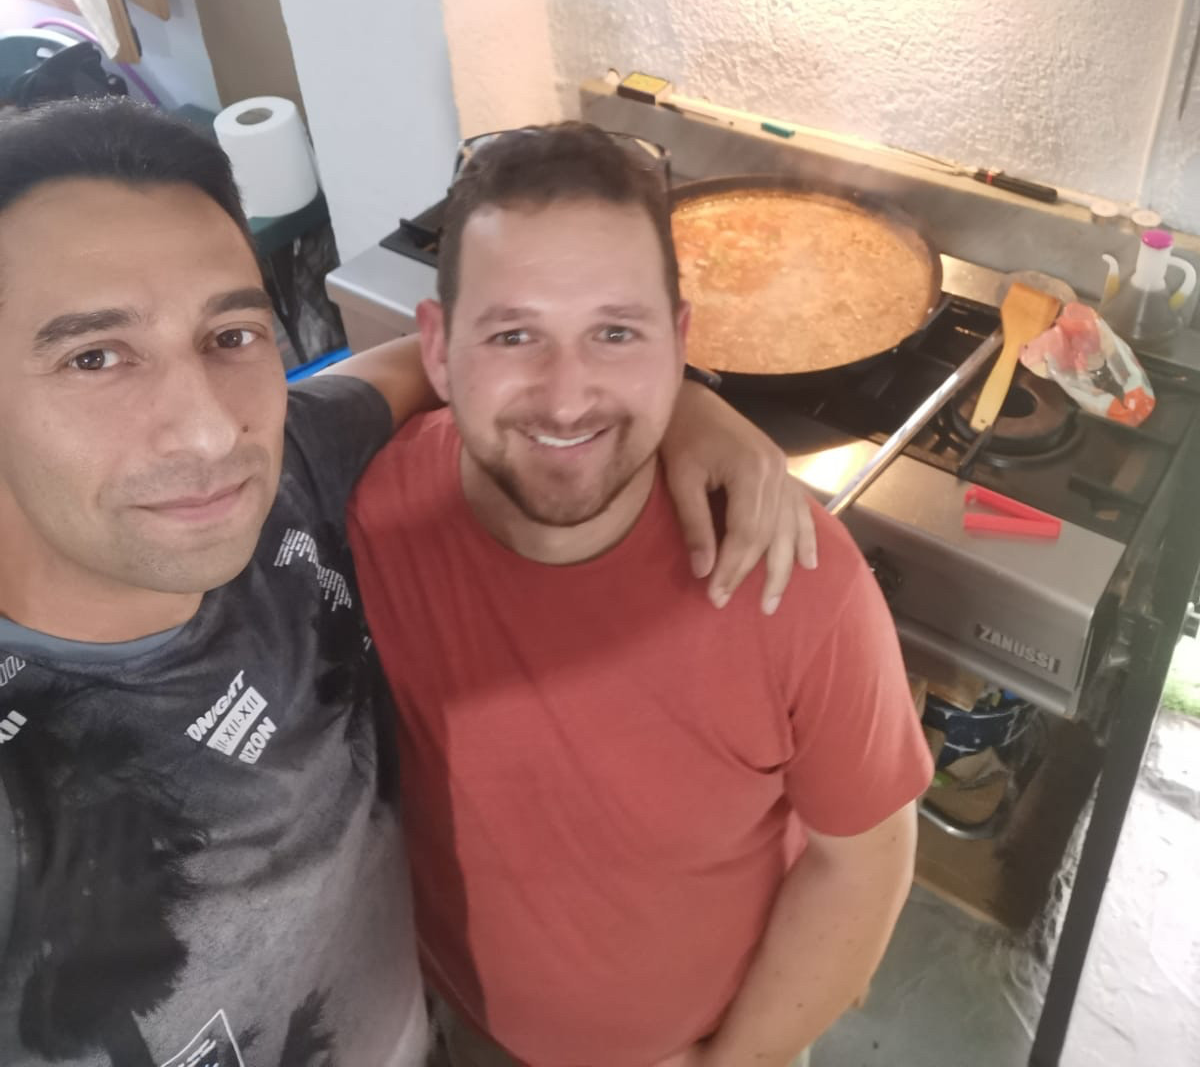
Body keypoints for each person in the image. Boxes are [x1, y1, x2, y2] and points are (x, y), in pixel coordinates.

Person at [0, 98, 815, 1067]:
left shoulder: (294, 464)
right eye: (95, 357)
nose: (211, 432)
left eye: (230, 335)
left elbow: (449, 368)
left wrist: (677, 400)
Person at [348, 123, 935, 1067]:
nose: (567, 397)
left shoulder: (792, 578)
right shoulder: (363, 522)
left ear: (680, 345)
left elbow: (864, 862)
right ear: (439, 350)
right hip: (462, 1026)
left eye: (615, 333)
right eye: (513, 334)